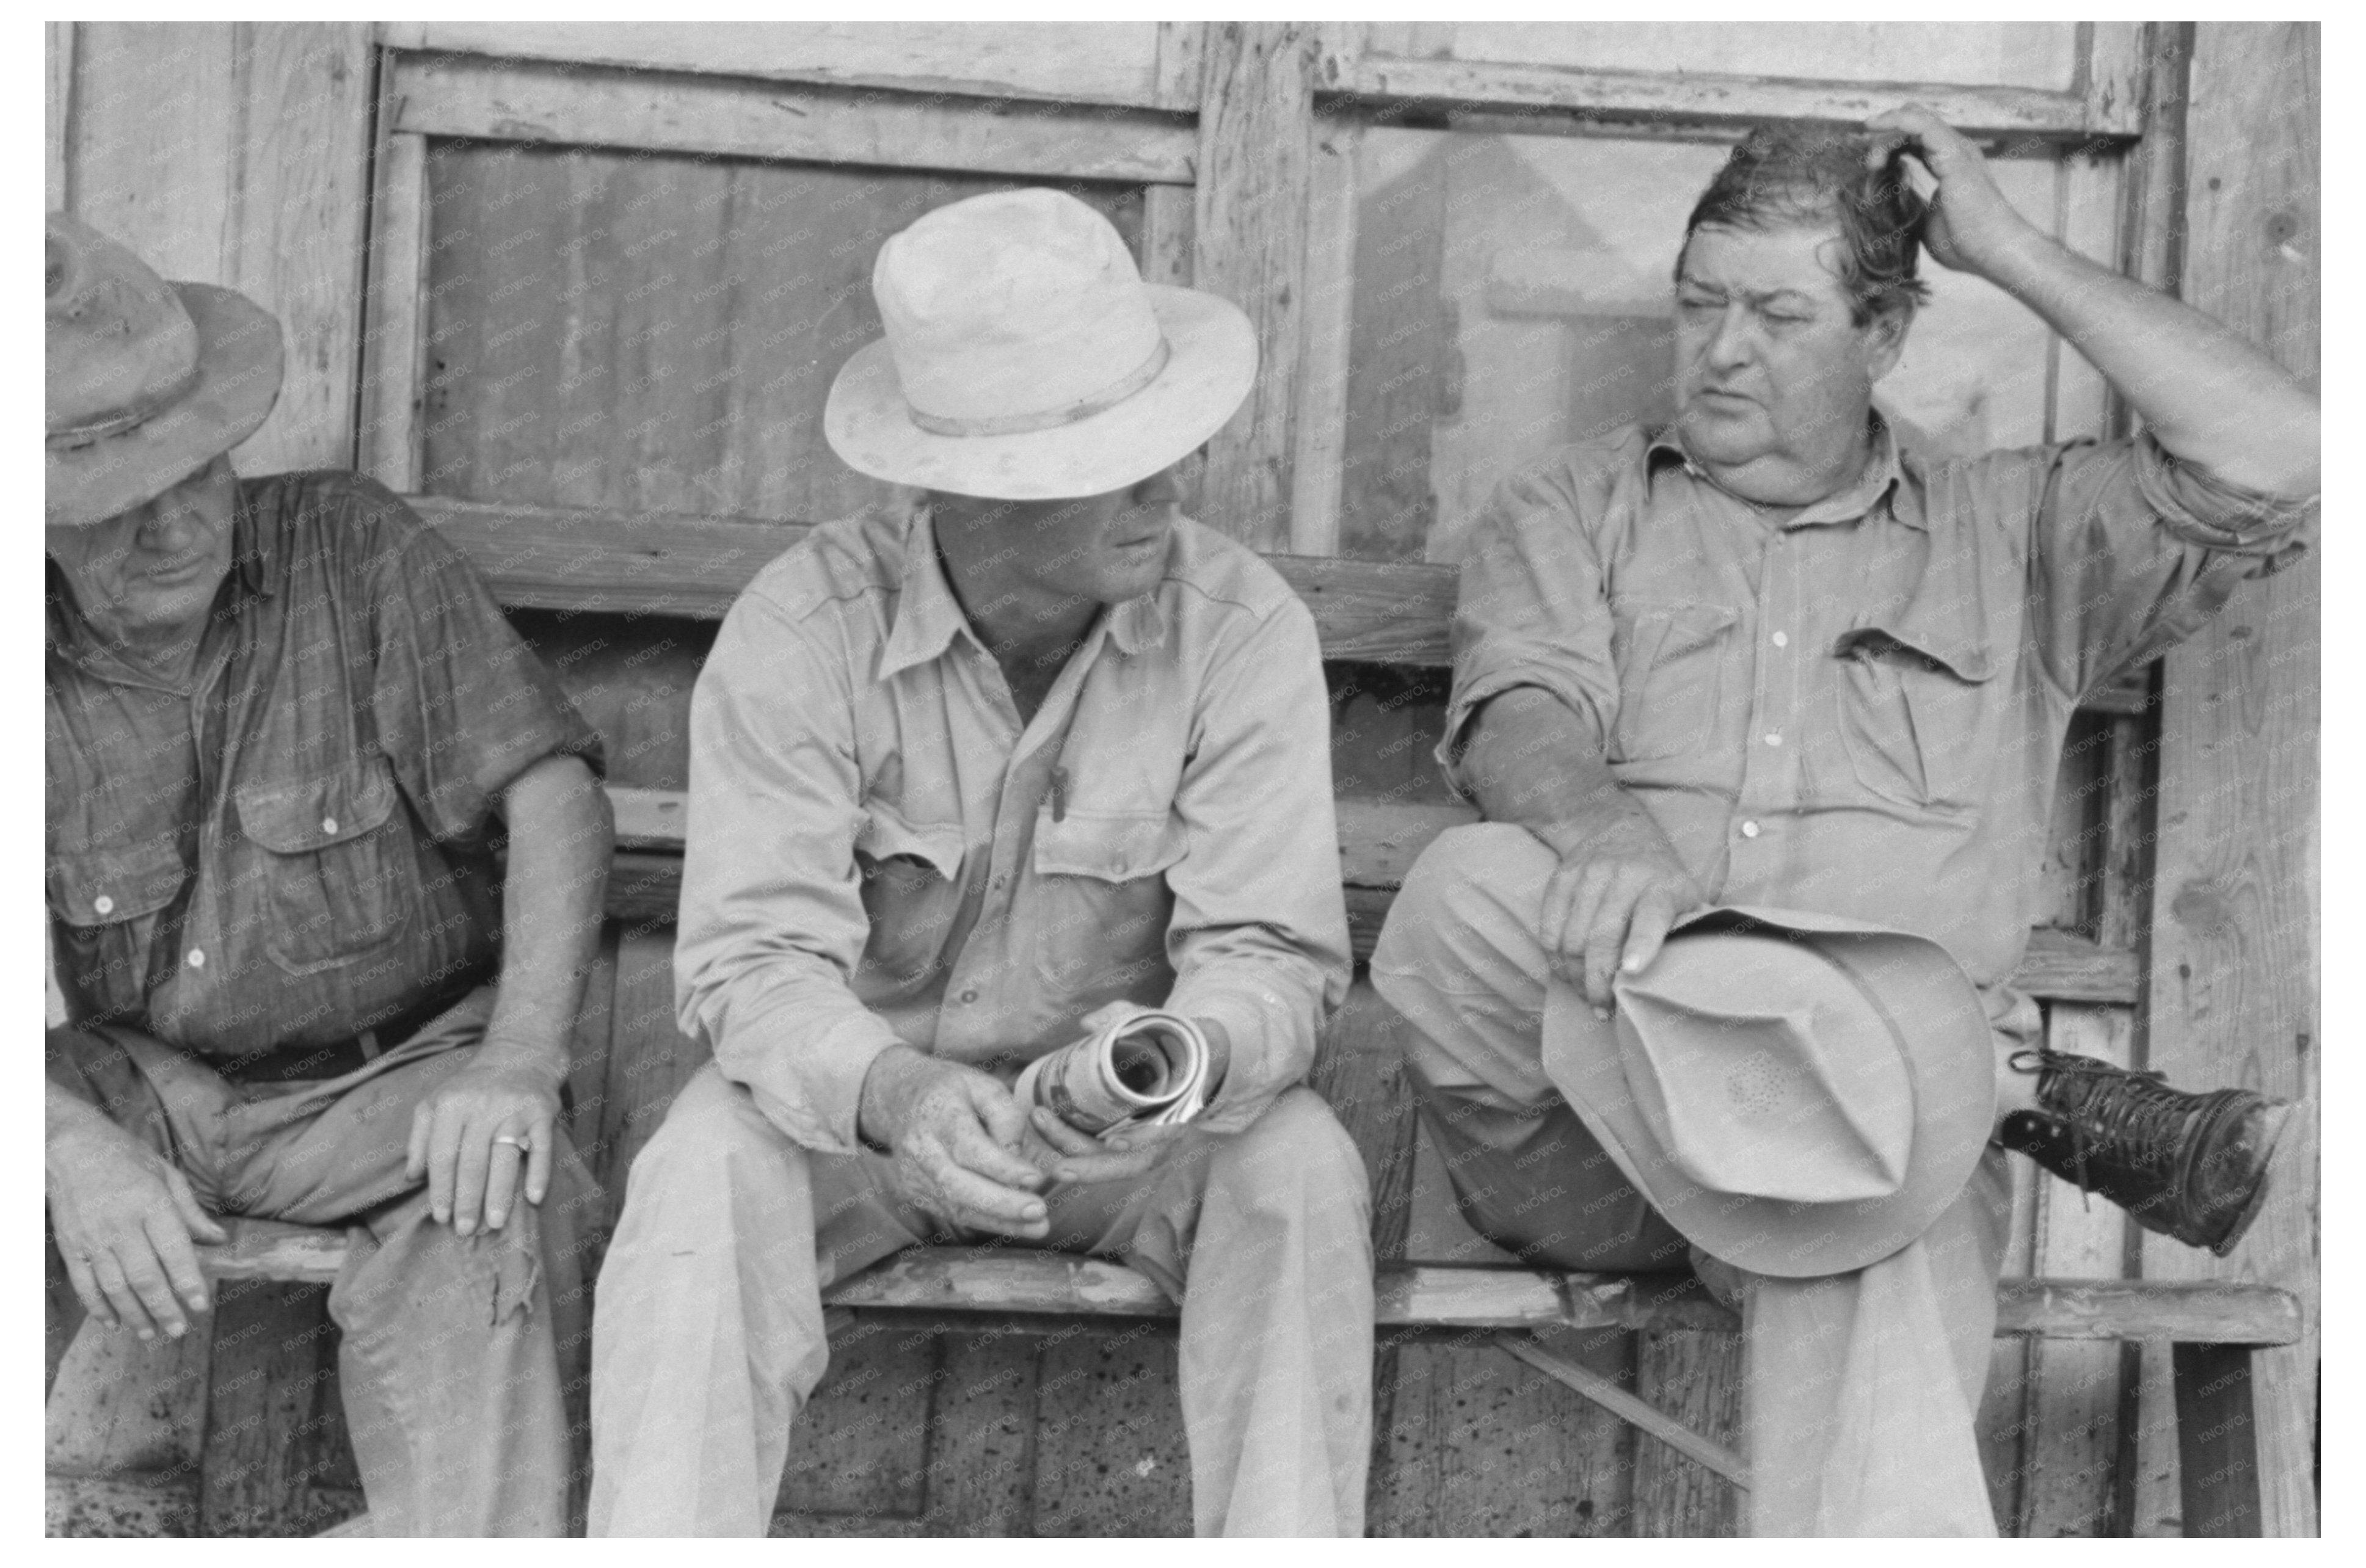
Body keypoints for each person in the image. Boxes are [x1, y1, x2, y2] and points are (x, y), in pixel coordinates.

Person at [1370, 110, 2316, 1534]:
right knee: (1465, 889)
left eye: (1774, 312)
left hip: (1875, 1160)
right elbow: (1520, 713)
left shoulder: (2019, 535)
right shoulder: (1575, 503)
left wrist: (2004, 247)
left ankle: (1893, 1095)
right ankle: (1937, 1086)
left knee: (1879, 1218)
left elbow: (2285, 455)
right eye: (1697, 304)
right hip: (1597, 1143)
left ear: (1880, 335)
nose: (1720, 348)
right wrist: (1607, 834)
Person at [588, 188, 1374, 1537]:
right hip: (864, 1133)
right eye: (1111, 457)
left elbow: (1271, 961)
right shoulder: (803, 630)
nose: (1163, 485)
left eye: (1160, 440)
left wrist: (1170, 1066)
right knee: (700, 1167)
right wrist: (896, 1092)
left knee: (1297, 1169)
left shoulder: (1239, 629)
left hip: (1122, 1149)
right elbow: (755, 963)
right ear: (977, 492)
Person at [43, 213, 613, 1536]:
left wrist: (519, 1060)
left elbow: (554, 796)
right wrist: (65, 1142)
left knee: (501, 1249)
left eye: (199, 469)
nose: (178, 523)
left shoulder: (352, 550)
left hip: (400, 1089)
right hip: (141, 1095)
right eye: (120, 505)